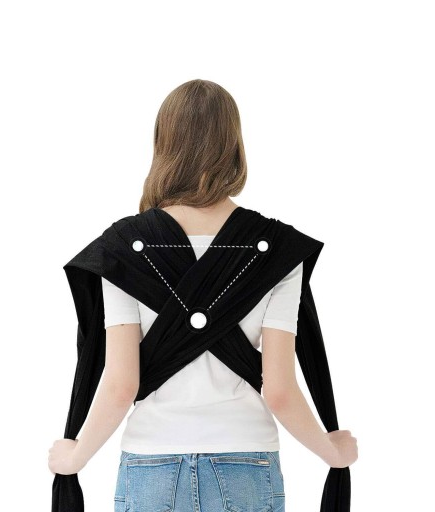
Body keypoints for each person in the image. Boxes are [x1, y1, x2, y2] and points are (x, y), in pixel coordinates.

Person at [48, 79, 358, 512]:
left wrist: (76, 456)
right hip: (246, 461)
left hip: (151, 463)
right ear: (234, 145)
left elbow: (121, 385)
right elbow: (280, 390)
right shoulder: (277, 250)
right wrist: (332, 451)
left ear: (163, 144)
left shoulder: (123, 250)